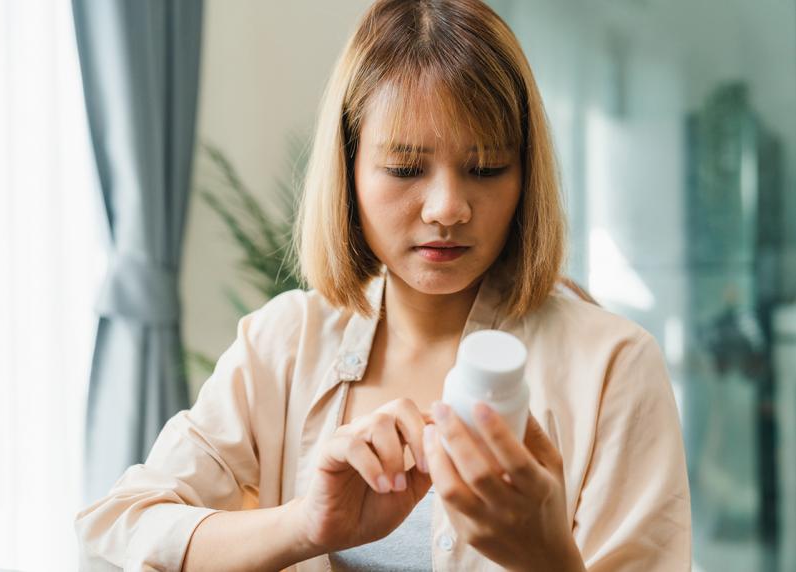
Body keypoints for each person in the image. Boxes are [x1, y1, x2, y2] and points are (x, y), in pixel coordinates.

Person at [75, 0, 691, 570]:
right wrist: (307, 525)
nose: (448, 207)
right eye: (404, 168)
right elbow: (120, 525)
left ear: (525, 175)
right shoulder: (283, 344)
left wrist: (547, 555)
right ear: (349, 168)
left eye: (486, 168)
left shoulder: (613, 366)